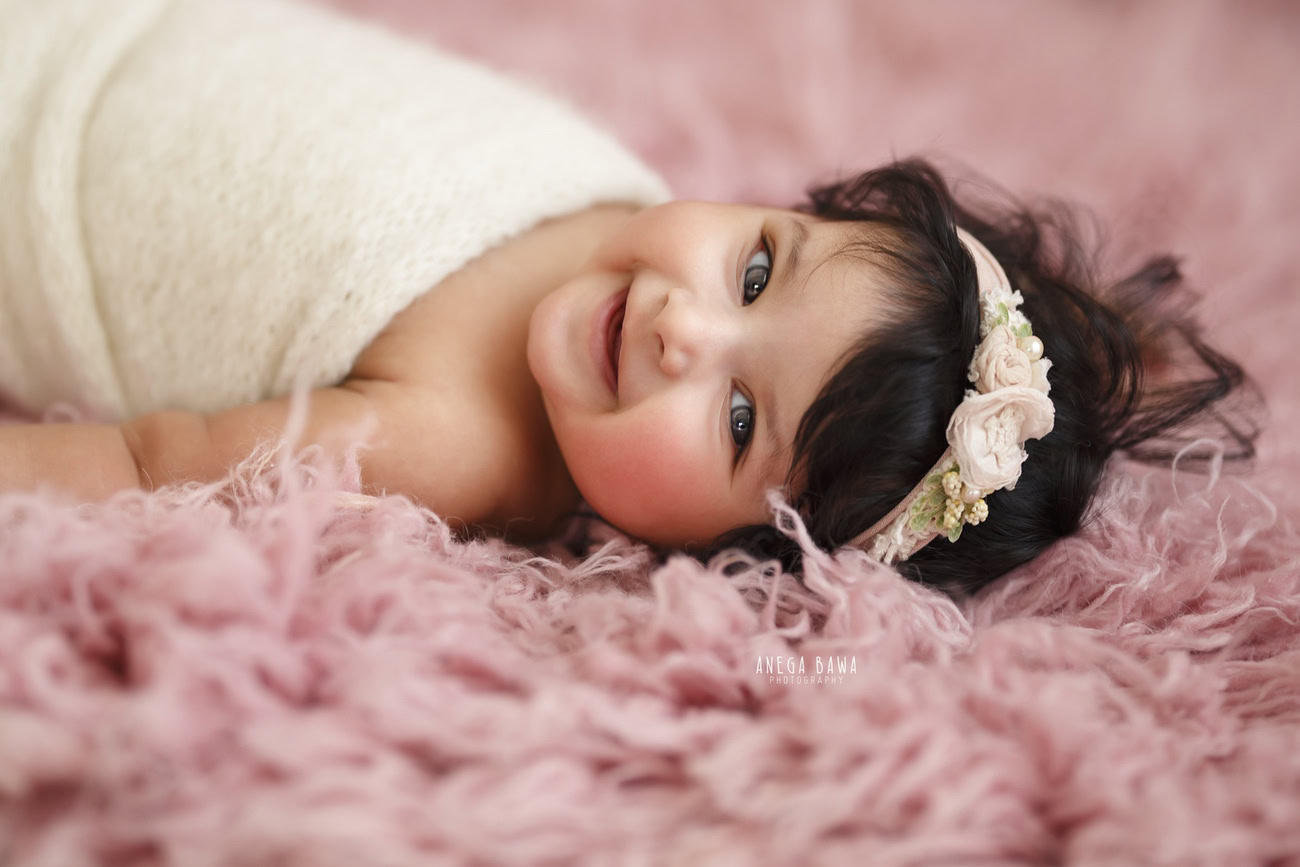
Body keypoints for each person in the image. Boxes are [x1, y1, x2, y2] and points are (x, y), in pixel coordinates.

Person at [0, 0, 1257, 597]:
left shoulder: (451, 440)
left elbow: (145, 464)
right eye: (755, 270)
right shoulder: (611, 191)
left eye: (737, 419)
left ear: (729, 553)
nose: (682, 326)